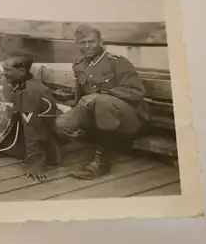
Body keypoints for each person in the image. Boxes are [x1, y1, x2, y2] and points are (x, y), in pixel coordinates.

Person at [54, 24, 151, 180]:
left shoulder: (117, 62)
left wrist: (100, 95)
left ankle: (102, 162)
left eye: (91, 42)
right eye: (82, 43)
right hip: (99, 115)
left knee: (102, 102)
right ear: (77, 44)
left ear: (100, 42)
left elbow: (136, 91)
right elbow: (81, 95)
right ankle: (102, 141)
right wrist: (74, 110)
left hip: (131, 119)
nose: (87, 46)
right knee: (62, 123)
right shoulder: (79, 65)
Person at [0, 51, 65, 182]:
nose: (3, 73)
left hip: (46, 145)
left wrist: (35, 163)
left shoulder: (28, 93)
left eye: (7, 70)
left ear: (21, 72)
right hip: (46, 135)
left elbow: (32, 129)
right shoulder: (26, 83)